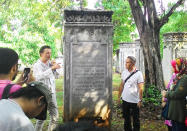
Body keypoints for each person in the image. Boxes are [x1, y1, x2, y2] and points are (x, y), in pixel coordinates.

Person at [33, 45, 61, 131]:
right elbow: (38, 77)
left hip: (51, 93)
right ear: (41, 54)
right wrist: (51, 68)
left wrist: (54, 68)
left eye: (50, 53)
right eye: (47, 53)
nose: (49, 55)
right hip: (41, 94)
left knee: (55, 117)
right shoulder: (37, 65)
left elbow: (57, 77)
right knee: (41, 118)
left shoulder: (50, 64)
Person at [118, 56, 144, 131]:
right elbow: (122, 85)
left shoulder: (139, 74)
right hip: (125, 99)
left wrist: (140, 100)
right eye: (125, 62)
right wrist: (119, 97)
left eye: (127, 62)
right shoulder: (124, 72)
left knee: (136, 119)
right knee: (126, 119)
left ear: (133, 63)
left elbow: (141, 88)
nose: (125, 64)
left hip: (135, 101)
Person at [162, 57, 187, 131]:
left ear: (181, 65)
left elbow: (178, 94)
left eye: (176, 65)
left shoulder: (185, 78)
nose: (175, 67)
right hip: (174, 111)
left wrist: (166, 94)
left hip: (179, 111)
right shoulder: (179, 76)